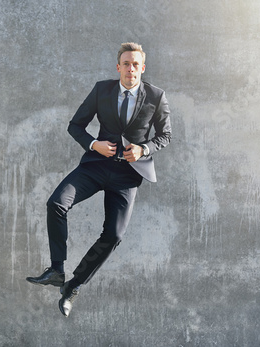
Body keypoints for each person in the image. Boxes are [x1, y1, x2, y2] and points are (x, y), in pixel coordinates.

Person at [26, 42, 172, 317]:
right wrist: (94, 145)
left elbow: (166, 135)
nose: (131, 68)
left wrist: (144, 148)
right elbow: (75, 125)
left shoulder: (156, 96)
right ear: (118, 67)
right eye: (126, 64)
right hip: (95, 166)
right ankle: (57, 269)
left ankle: (73, 286)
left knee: (114, 235)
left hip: (128, 175)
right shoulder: (101, 89)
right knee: (56, 203)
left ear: (143, 68)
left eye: (136, 64)